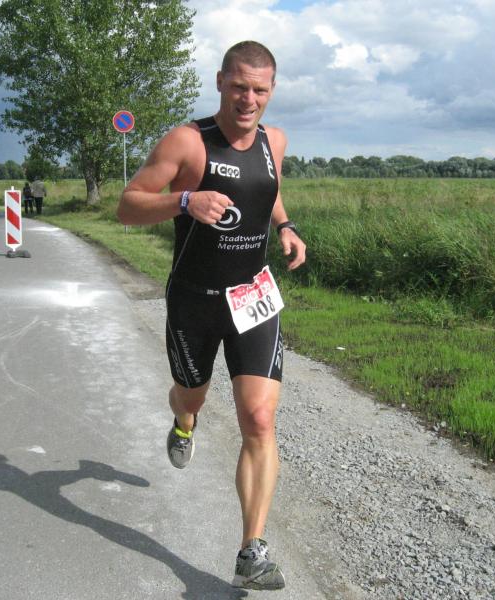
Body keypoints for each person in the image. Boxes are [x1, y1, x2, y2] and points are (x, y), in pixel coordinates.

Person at [118, 40, 306, 590]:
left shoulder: (275, 141)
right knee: (192, 397)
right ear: (221, 81)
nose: (249, 99)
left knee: (260, 419)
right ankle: (184, 421)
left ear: (272, 90)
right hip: (194, 301)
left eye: (260, 90)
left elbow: (266, 189)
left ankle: (252, 550)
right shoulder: (187, 141)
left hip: (253, 297)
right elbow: (128, 205)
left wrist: (285, 225)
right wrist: (185, 201)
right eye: (239, 86)